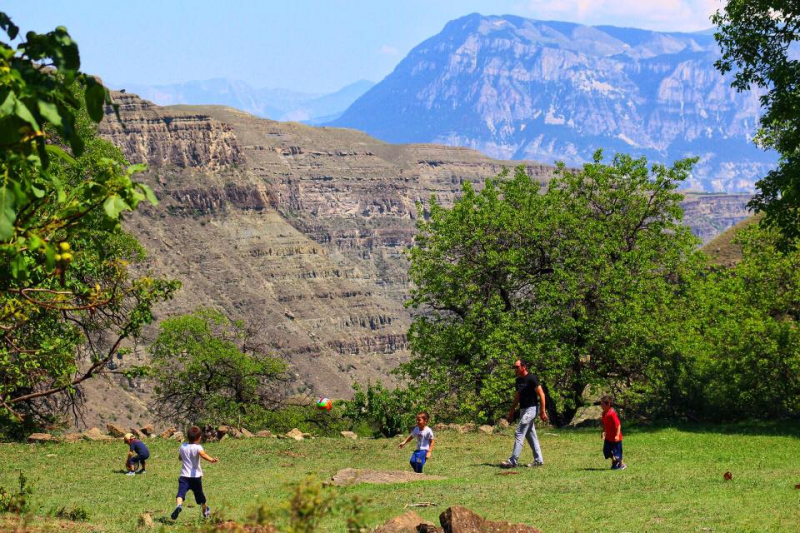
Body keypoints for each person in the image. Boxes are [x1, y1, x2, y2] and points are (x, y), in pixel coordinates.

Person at [500, 359, 548, 468]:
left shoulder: (532, 378)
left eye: (517, 367)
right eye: (514, 367)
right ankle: (539, 460)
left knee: (519, 432)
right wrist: (512, 410)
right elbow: (518, 396)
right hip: (523, 410)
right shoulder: (518, 380)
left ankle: (512, 461)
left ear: (524, 367)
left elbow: (542, 394)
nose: (515, 369)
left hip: (531, 409)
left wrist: (542, 411)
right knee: (531, 435)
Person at [170, 426, 219, 521]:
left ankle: (179, 506)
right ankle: (206, 511)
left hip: (184, 476)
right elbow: (203, 455)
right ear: (199, 438)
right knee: (200, 497)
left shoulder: (183, 446)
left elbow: (180, 458)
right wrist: (212, 460)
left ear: (187, 437)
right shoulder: (198, 447)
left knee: (180, 493)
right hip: (195, 477)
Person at [601, 395, 626, 470]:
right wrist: (603, 431)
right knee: (606, 451)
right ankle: (615, 461)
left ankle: (621, 464)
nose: (601, 406)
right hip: (608, 437)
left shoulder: (612, 414)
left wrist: (617, 435)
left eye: (603, 404)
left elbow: (618, 425)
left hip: (615, 438)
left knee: (617, 453)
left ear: (608, 404)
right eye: (601, 404)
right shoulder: (603, 413)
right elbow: (605, 424)